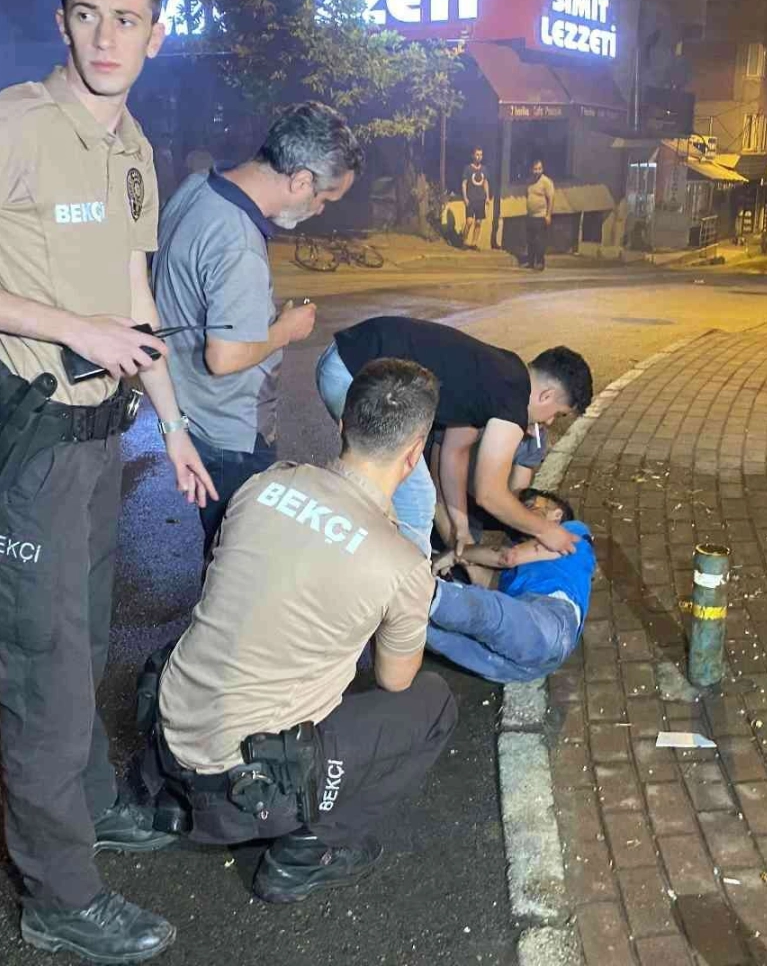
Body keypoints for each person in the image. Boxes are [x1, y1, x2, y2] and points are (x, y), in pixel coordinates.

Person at [0, 0, 210, 964]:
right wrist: (73, 329)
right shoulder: (11, 128)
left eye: (126, 18)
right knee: (44, 673)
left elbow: (134, 298)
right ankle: (60, 898)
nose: (105, 36)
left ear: (156, 35)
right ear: (60, 21)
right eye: (86, 14)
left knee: (83, 639)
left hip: (98, 442)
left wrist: (173, 422)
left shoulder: (133, 148)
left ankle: (90, 805)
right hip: (28, 449)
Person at [144, 359, 458, 903]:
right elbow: (394, 680)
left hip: (165, 740)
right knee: (433, 704)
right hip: (243, 791)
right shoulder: (401, 564)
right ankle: (308, 852)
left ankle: (162, 795)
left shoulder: (264, 485)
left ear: (342, 424)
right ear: (414, 454)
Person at [152, 102, 362, 573]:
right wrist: (285, 330)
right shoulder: (238, 242)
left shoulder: (200, 187)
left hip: (194, 410)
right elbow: (224, 356)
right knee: (242, 567)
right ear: (302, 181)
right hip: (231, 429)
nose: (319, 211)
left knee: (225, 549)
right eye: (325, 199)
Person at [315, 315, 592, 559]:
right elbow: (490, 493)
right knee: (417, 499)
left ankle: (338, 539)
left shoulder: (503, 374)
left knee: (389, 484)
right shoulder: (513, 402)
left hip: (348, 355)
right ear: (546, 395)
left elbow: (454, 453)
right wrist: (546, 530)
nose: (549, 422)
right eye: (558, 414)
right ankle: (408, 591)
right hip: (353, 371)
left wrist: (460, 528)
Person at [428, 489, 595, 683]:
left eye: (531, 505)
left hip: (552, 622)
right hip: (528, 662)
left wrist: (455, 555)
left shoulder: (573, 531)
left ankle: (417, 587)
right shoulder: (516, 573)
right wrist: (464, 560)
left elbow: (508, 557)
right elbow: (487, 584)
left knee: (478, 614)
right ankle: (412, 594)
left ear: (557, 514)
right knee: (426, 629)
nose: (522, 513)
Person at [431, 423, 548, 549]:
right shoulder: (471, 422)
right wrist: (456, 537)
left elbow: (516, 496)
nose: (549, 422)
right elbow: (437, 489)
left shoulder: (535, 437)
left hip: (469, 502)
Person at [522, 158, 555, 271]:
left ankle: (540, 262)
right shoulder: (529, 181)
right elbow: (527, 195)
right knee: (530, 240)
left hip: (541, 216)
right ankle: (531, 262)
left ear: (542, 169)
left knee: (539, 241)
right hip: (530, 215)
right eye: (535, 169)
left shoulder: (546, 182)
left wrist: (548, 215)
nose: (537, 171)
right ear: (531, 169)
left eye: (539, 169)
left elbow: (551, 199)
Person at [460, 147, 491, 249]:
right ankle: (464, 241)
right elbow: (464, 184)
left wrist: (487, 197)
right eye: (477, 154)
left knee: (478, 223)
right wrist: (465, 198)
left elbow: (485, 183)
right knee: (469, 221)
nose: (479, 157)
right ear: (473, 155)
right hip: (470, 199)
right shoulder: (468, 169)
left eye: (481, 155)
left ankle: (474, 243)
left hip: (480, 199)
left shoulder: (484, 169)